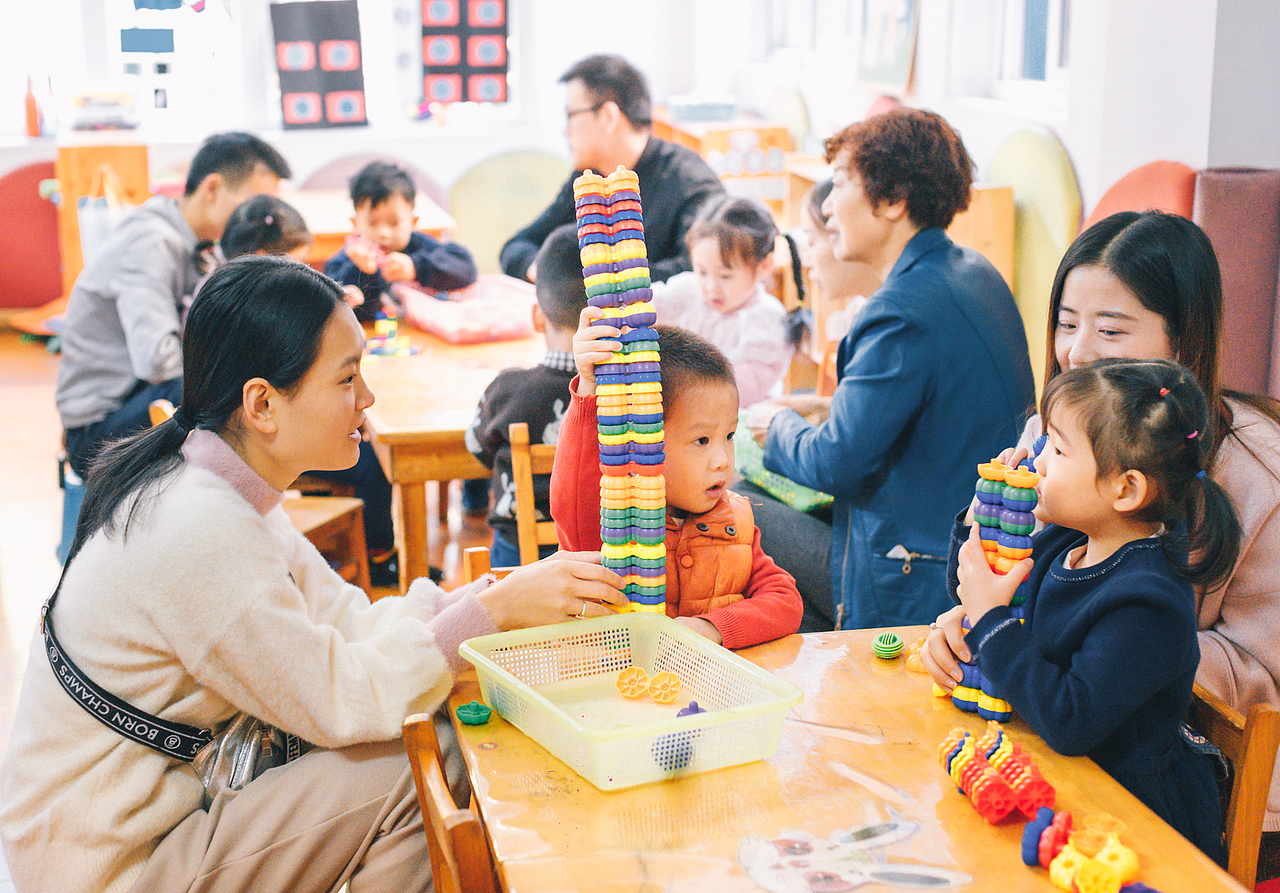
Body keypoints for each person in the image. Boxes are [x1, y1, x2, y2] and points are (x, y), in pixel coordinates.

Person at [0, 255, 626, 893]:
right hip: (110, 864)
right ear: (263, 404)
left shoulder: (218, 485)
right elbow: (341, 702)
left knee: (425, 735)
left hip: (145, 815)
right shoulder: (200, 528)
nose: (367, 398)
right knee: (422, 760)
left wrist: (487, 596)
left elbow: (346, 620)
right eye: (347, 377)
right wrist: (485, 616)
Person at [922, 209, 1280, 877]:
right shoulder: (1065, 436)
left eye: (1111, 329)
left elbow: (1258, 681)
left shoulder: (1259, 473)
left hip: (1184, 789)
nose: (1077, 352)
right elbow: (1017, 575)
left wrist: (1041, 644)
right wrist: (979, 619)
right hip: (1061, 743)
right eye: (1065, 322)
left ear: (1182, 343)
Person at [746, 108, 1034, 630]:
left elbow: (834, 464)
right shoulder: (973, 271)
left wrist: (778, 426)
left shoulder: (900, 310)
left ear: (894, 201)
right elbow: (937, 413)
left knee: (730, 507)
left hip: (914, 572)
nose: (828, 209)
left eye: (838, 186)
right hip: (963, 550)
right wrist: (830, 406)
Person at [941, 357, 1235, 861]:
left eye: (1056, 449)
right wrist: (983, 514)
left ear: (1126, 489)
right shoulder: (1069, 541)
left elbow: (1070, 719)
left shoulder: (1148, 603)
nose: (1037, 461)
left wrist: (992, 623)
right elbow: (972, 591)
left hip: (1131, 820)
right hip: (1061, 776)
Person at [551, 316, 803, 648]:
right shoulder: (612, 521)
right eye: (702, 440)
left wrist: (714, 628)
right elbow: (571, 494)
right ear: (642, 442)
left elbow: (785, 601)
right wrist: (588, 390)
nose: (723, 460)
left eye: (728, 436)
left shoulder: (734, 521)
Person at [56, 131, 291, 482]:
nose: (259, 219)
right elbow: (158, 361)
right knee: (241, 388)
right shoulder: (151, 242)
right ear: (211, 189)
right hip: (101, 430)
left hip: (140, 399)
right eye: (252, 205)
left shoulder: (197, 241)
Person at [216, 194, 399, 584]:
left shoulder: (262, 509)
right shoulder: (230, 537)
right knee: (374, 464)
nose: (367, 399)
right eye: (348, 379)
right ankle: (379, 558)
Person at [499, 54, 725, 285]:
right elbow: (517, 246)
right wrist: (542, 269)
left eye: (571, 116)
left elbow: (703, 272)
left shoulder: (688, 181)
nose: (566, 131)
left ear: (608, 116)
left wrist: (597, 279)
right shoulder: (590, 176)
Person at [465, 224, 585, 567]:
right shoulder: (626, 394)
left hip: (517, 556)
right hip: (596, 555)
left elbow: (477, 446)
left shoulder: (507, 389)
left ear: (537, 316)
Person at [651, 195, 799, 408]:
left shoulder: (768, 320)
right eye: (702, 271)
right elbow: (645, 307)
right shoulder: (687, 290)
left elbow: (734, 393)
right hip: (685, 410)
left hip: (739, 420)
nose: (711, 287)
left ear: (764, 267)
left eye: (725, 276)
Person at [324, 160, 477, 323]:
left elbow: (466, 267)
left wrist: (416, 267)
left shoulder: (420, 247)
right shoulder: (349, 260)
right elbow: (336, 306)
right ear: (355, 224)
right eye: (372, 223)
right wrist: (363, 273)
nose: (384, 233)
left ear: (413, 221)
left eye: (394, 222)